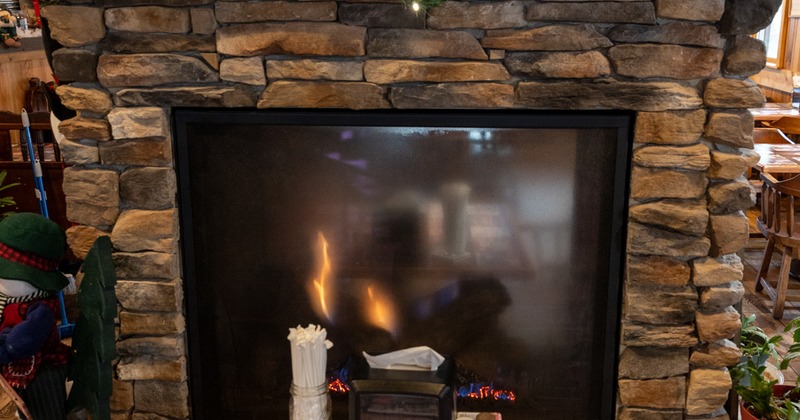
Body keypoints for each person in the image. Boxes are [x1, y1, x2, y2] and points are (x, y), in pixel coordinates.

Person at [0, 213, 71, 419]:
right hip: (18, 367)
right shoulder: (10, 299)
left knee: (44, 407)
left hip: (39, 367)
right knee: (25, 404)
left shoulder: (40, 309)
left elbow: (20, 343)